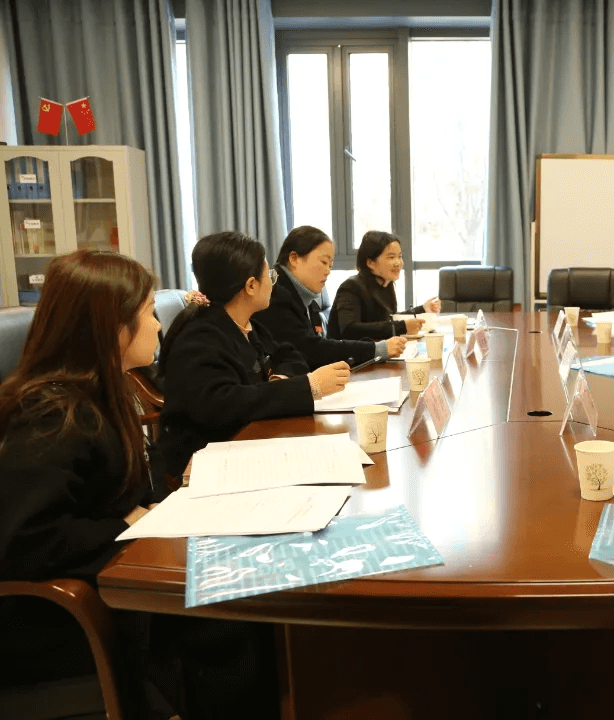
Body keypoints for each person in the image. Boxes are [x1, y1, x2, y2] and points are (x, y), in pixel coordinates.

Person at [0, 250, 280, 719]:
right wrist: (128, 522)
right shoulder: (50, 415)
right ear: (112, 326)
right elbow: (25, 539)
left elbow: (123, 491)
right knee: (236, 623)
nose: (157, 326)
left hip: (116, 576)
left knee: (255, 591)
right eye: (149, 313)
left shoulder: (106, 390)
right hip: (61, 619)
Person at [158, 231, 349, 478]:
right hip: (206, 464)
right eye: (269, 276)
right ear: (250, 286)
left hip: (249, 444)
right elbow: (227, 405)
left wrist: (279, 380)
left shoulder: (247, 324)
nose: (273, 282)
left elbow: (290, 355)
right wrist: (309, 386)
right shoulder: (199, 340)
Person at [253, 225, 407, 367]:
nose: (328, 271)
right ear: (294, 258)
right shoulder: (275, 295)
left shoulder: (306, 299)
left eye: (330, 265)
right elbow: (311, 350)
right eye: (323, 262)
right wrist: (376, 349)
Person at [327, 230, 440, 341]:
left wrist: (422, 309)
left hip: (377, 350)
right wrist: (401, 327)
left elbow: (388, 320)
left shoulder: (385, 284)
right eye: (391, 257)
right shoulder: (351, 287)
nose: (398, 263)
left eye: (400, 256)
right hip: (349, 353)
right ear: (370, 262)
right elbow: (349, 329)